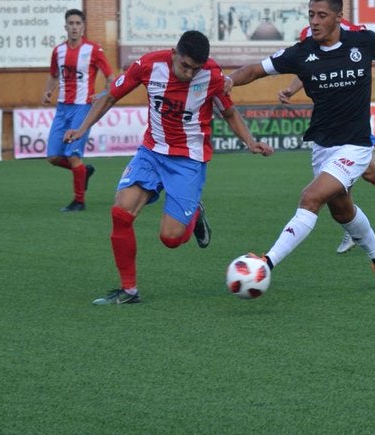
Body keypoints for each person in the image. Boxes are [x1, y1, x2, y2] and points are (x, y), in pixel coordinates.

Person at [64, 30, 273, 305]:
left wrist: (250, 141)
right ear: (174, 54)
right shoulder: (149, 65)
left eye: (194, 68)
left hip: (188, 160)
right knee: (120, 212)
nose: (188, 73)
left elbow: (230, 112)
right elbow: (110, 96)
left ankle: (195, 214)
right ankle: (129, 291)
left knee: (171, 238)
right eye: (184, 65)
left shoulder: (212, 76)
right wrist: (82, 128)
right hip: (151, 152)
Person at [226, 0, 375, 289]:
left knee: (310, 197)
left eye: (321, 15)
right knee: (342, 210)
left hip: (356, 144)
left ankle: (264, 265)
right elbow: (255, 70)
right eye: (310, 15)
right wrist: (227, 80)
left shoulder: (364, 41)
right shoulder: (302, 53)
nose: (314, 21)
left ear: (338, 17)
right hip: (322, 145)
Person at [280, 19, 375, 251]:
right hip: (334, 123)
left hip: (352, 120)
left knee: (352, 178)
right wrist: (292, 89)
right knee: (371, 172)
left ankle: (355, 228)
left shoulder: (357, 35)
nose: (316, 19)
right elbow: (310, 64)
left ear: (335, 13)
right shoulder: (312, 35)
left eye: (322, 13)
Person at [41, 9, 113, 212]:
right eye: (70, 23)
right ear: (65, 27)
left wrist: (102, 95)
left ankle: (79, 201)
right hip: (62, 108)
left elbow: (110, 78)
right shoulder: (58, 51)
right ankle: (83, 171)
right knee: (53, 157)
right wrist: (48, 91)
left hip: (82, 108)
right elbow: (54, 75)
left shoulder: (94, 50)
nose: (74, 27)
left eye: (77, 23)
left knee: (72, 155)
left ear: (83, 27)